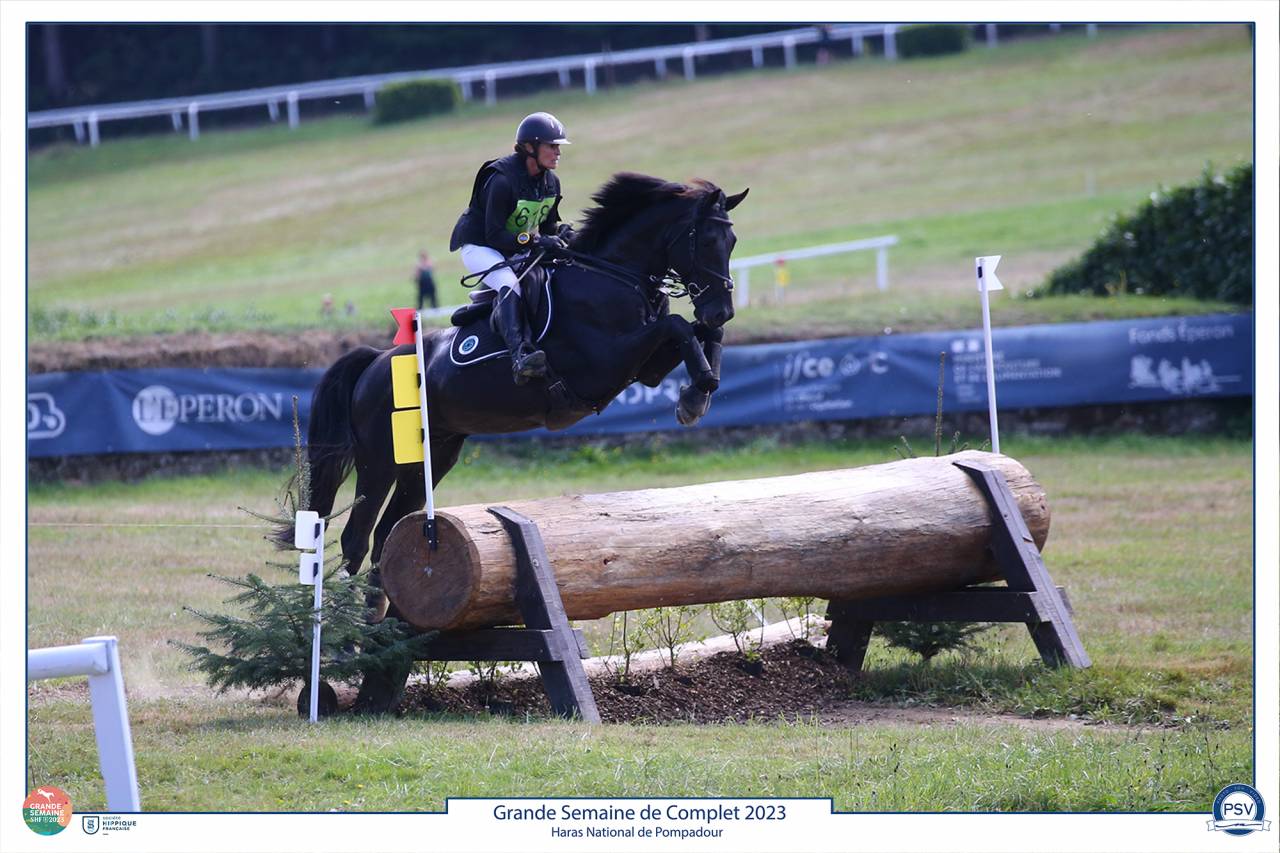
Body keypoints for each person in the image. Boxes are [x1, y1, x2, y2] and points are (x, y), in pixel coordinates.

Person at [449, 111, 570, 385]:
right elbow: (494, 235)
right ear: (530, 147)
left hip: (511, 245)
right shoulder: (502, 180)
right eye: (551, 146)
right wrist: (536, 241)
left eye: (558, 146)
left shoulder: (551, 182)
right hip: (480, 245)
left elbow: (548, 230)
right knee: (508, 282)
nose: (557, 152)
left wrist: (562, 237)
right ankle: (520, 355)